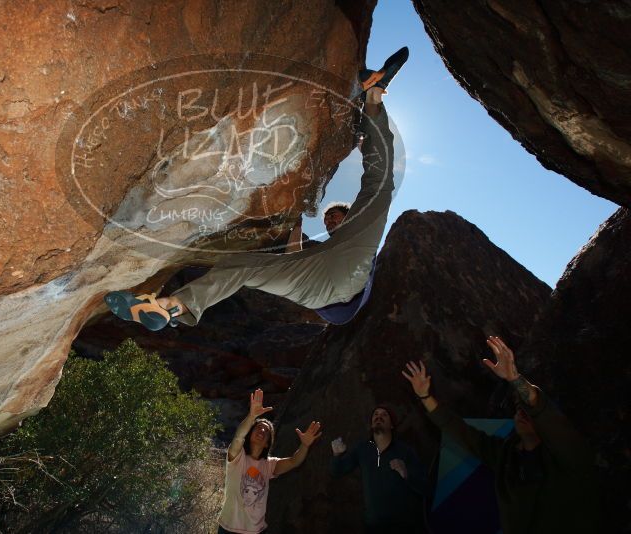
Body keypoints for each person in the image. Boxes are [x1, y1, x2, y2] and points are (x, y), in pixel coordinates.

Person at [104, 47, 409, 330]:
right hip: (316, 294)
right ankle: (173, 306)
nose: (329, 222)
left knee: (379, 186)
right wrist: (296, 221)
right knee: (241, 266)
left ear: (349, 216)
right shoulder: (321, 254)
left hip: (346, 284)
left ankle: (375, 97)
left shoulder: (355, 239)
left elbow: (376, 188)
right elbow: (291, 255)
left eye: (335, 218)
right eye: (328, 220)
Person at [402, 336, 601, 534]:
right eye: (517, 408)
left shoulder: (566, 454)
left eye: (526, 410)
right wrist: (425, 396)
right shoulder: (505, 456)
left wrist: (514, 379)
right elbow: (460, 432)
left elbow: (541, 409)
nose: (520, 413)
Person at [218, 388, 322, 534]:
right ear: (250, 434)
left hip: (256, 531)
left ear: (267, 443)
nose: (262, 431)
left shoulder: (269, 465)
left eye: (266, 432)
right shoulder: (237, 456)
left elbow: (294, 461)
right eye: (258, 428)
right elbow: (238, 437)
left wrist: (305, 445)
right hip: (228, 529)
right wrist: (251, 416)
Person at [329, 405, 429, 533]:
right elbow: (336, 471)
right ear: (371, 424)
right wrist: (337, 455)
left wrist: (407, 474)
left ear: (392, 425)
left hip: (404, 526)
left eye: (384, 415)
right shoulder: (362, 449)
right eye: (375, 414)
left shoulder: (405, 451)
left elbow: (426, 487)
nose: (379, 417)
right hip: (374, 527)